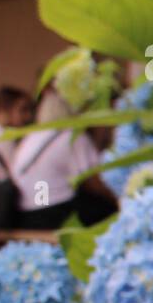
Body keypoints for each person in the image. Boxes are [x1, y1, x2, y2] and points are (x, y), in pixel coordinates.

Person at [10, 87, 116, 228]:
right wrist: (118, 198)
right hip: (55, 213)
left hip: (26, 214)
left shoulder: (32, 136)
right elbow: (92, 180)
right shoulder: (72, 134)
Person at [0, 87, 32, 179]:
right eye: (22, 109)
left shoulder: (1, 132)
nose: (27, 116)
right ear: (4, 109)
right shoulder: (1, 137)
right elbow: (18, 175)